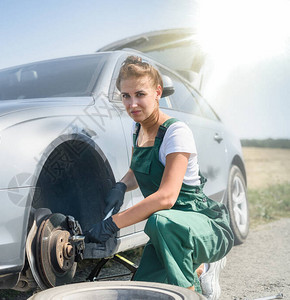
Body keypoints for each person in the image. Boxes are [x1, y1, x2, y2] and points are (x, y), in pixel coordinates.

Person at [86, 56, 234, 298]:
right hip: (169, 232)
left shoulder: (176, 132)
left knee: (160, 221)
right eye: (126, 96)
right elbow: (137, 170)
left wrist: (112, 224)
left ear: (157, 92)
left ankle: (197, 284)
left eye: (140, 94)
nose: (132, 104)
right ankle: (196, 267)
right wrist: (121, 186)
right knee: (144, 293)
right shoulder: (138, 129)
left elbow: (166, 197)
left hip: (202, 226)